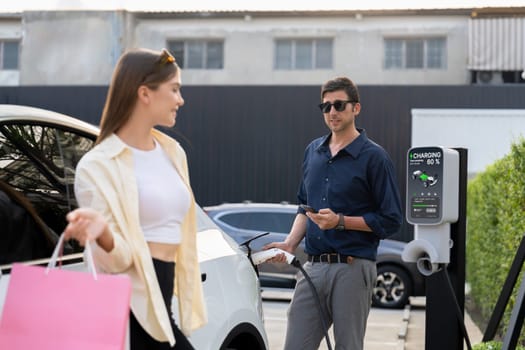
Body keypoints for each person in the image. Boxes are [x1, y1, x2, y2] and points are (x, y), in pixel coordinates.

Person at [63, 48, 207, 349]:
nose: (181, 100)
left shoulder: (173, 154)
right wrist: (101, 232)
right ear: (145, 93)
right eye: (175, 89)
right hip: (128, 309)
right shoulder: (99, 165)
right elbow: (119, 261)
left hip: (162, 303)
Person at [265, 76, 403, 350]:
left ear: (356, 108)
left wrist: (340, 222)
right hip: (313, 267)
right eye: (326, 107)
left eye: (339, 105)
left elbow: (390, 219)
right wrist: (291, 243)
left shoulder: (374, 157)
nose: (332, 112)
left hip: (353, 268)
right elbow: (305, 205)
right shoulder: (312, 152)